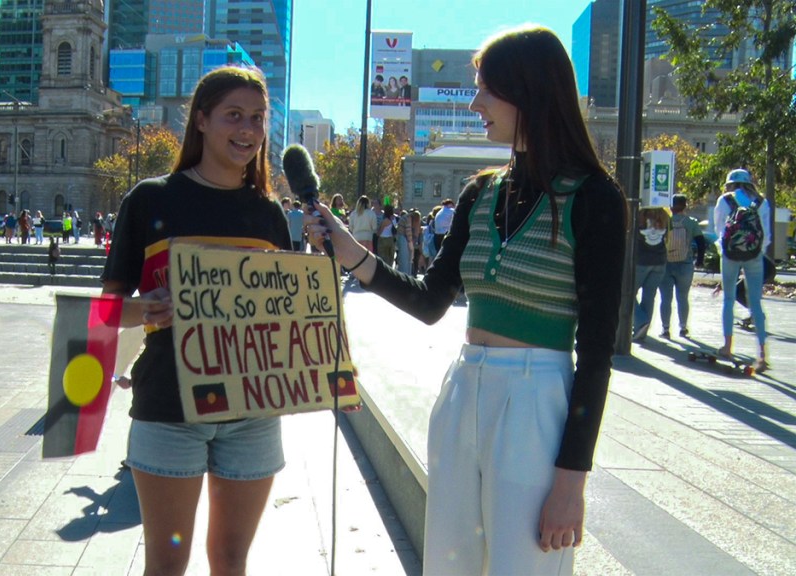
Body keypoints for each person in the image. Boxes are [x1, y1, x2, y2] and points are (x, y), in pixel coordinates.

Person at [304, 25, 626, 575]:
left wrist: (572, 481)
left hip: (537, 401)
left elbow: (597, 353)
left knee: (524, 568)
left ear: (529, 92)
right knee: (446, 566)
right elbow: (431, 301)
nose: (476, 103)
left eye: (487, 90)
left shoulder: (594, 198)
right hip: (463, 388)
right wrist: (350, 251)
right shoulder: (482, 193)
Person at [100, 65, 291, 576]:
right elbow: (105, 311)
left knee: (231, 561)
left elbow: (283, 314)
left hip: (252, 411)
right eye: (234, 115)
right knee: (166, 564)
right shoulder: (150, 199)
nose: (248, 129)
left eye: (258, 117)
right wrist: (147, 307)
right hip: (169, 406)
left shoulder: (269, 214)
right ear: (201, 120)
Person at [713, 168, 771, 372]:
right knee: (755, 302)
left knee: (729, 299)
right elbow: (766, 234)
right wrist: (756, 251)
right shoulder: (762, 202)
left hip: (729, 256)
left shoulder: (724, 201)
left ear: (729, 183)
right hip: (754, 255)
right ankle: (762, 354)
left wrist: (725, 251)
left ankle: (727, 346)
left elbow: (719, 230)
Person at [658, 194, 706, 339]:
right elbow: (701, 242)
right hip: (685, 263)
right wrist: (699, 260)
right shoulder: (691, 222)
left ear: (671, 206)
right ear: (685, 206)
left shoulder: (665, 221)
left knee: (665, 299)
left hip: (666, 264)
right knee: (683, 297)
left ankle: (665, 329)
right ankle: (683, 328)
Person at [632, 206, 669, 341]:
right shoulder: (665, 217)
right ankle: (642, 330)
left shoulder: (639, 216)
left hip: (641, 261)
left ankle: (641, 322)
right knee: (649, 296)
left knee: (628, 294)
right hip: (660, 261)